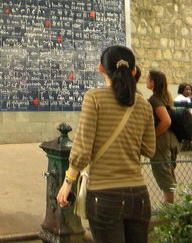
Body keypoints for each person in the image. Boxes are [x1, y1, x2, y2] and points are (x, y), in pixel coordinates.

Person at [56, 45, 155, 243]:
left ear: (101, 68)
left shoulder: (94, 98)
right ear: (134, 71)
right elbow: (149, 149)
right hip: (139, 195)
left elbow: (83, 150)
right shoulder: (143, 104)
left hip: (104, 195)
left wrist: (68, 182)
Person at [147, 69, 181, 204]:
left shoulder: (155, 99)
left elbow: (166, 121)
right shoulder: (165, 97)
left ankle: (168, 206)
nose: (146, 80)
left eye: (148, 78)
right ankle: (170, 205)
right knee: (168, 172)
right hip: (172, 140)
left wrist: (153, 135)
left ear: (153, 82)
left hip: (162, 142)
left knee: (163, 172)